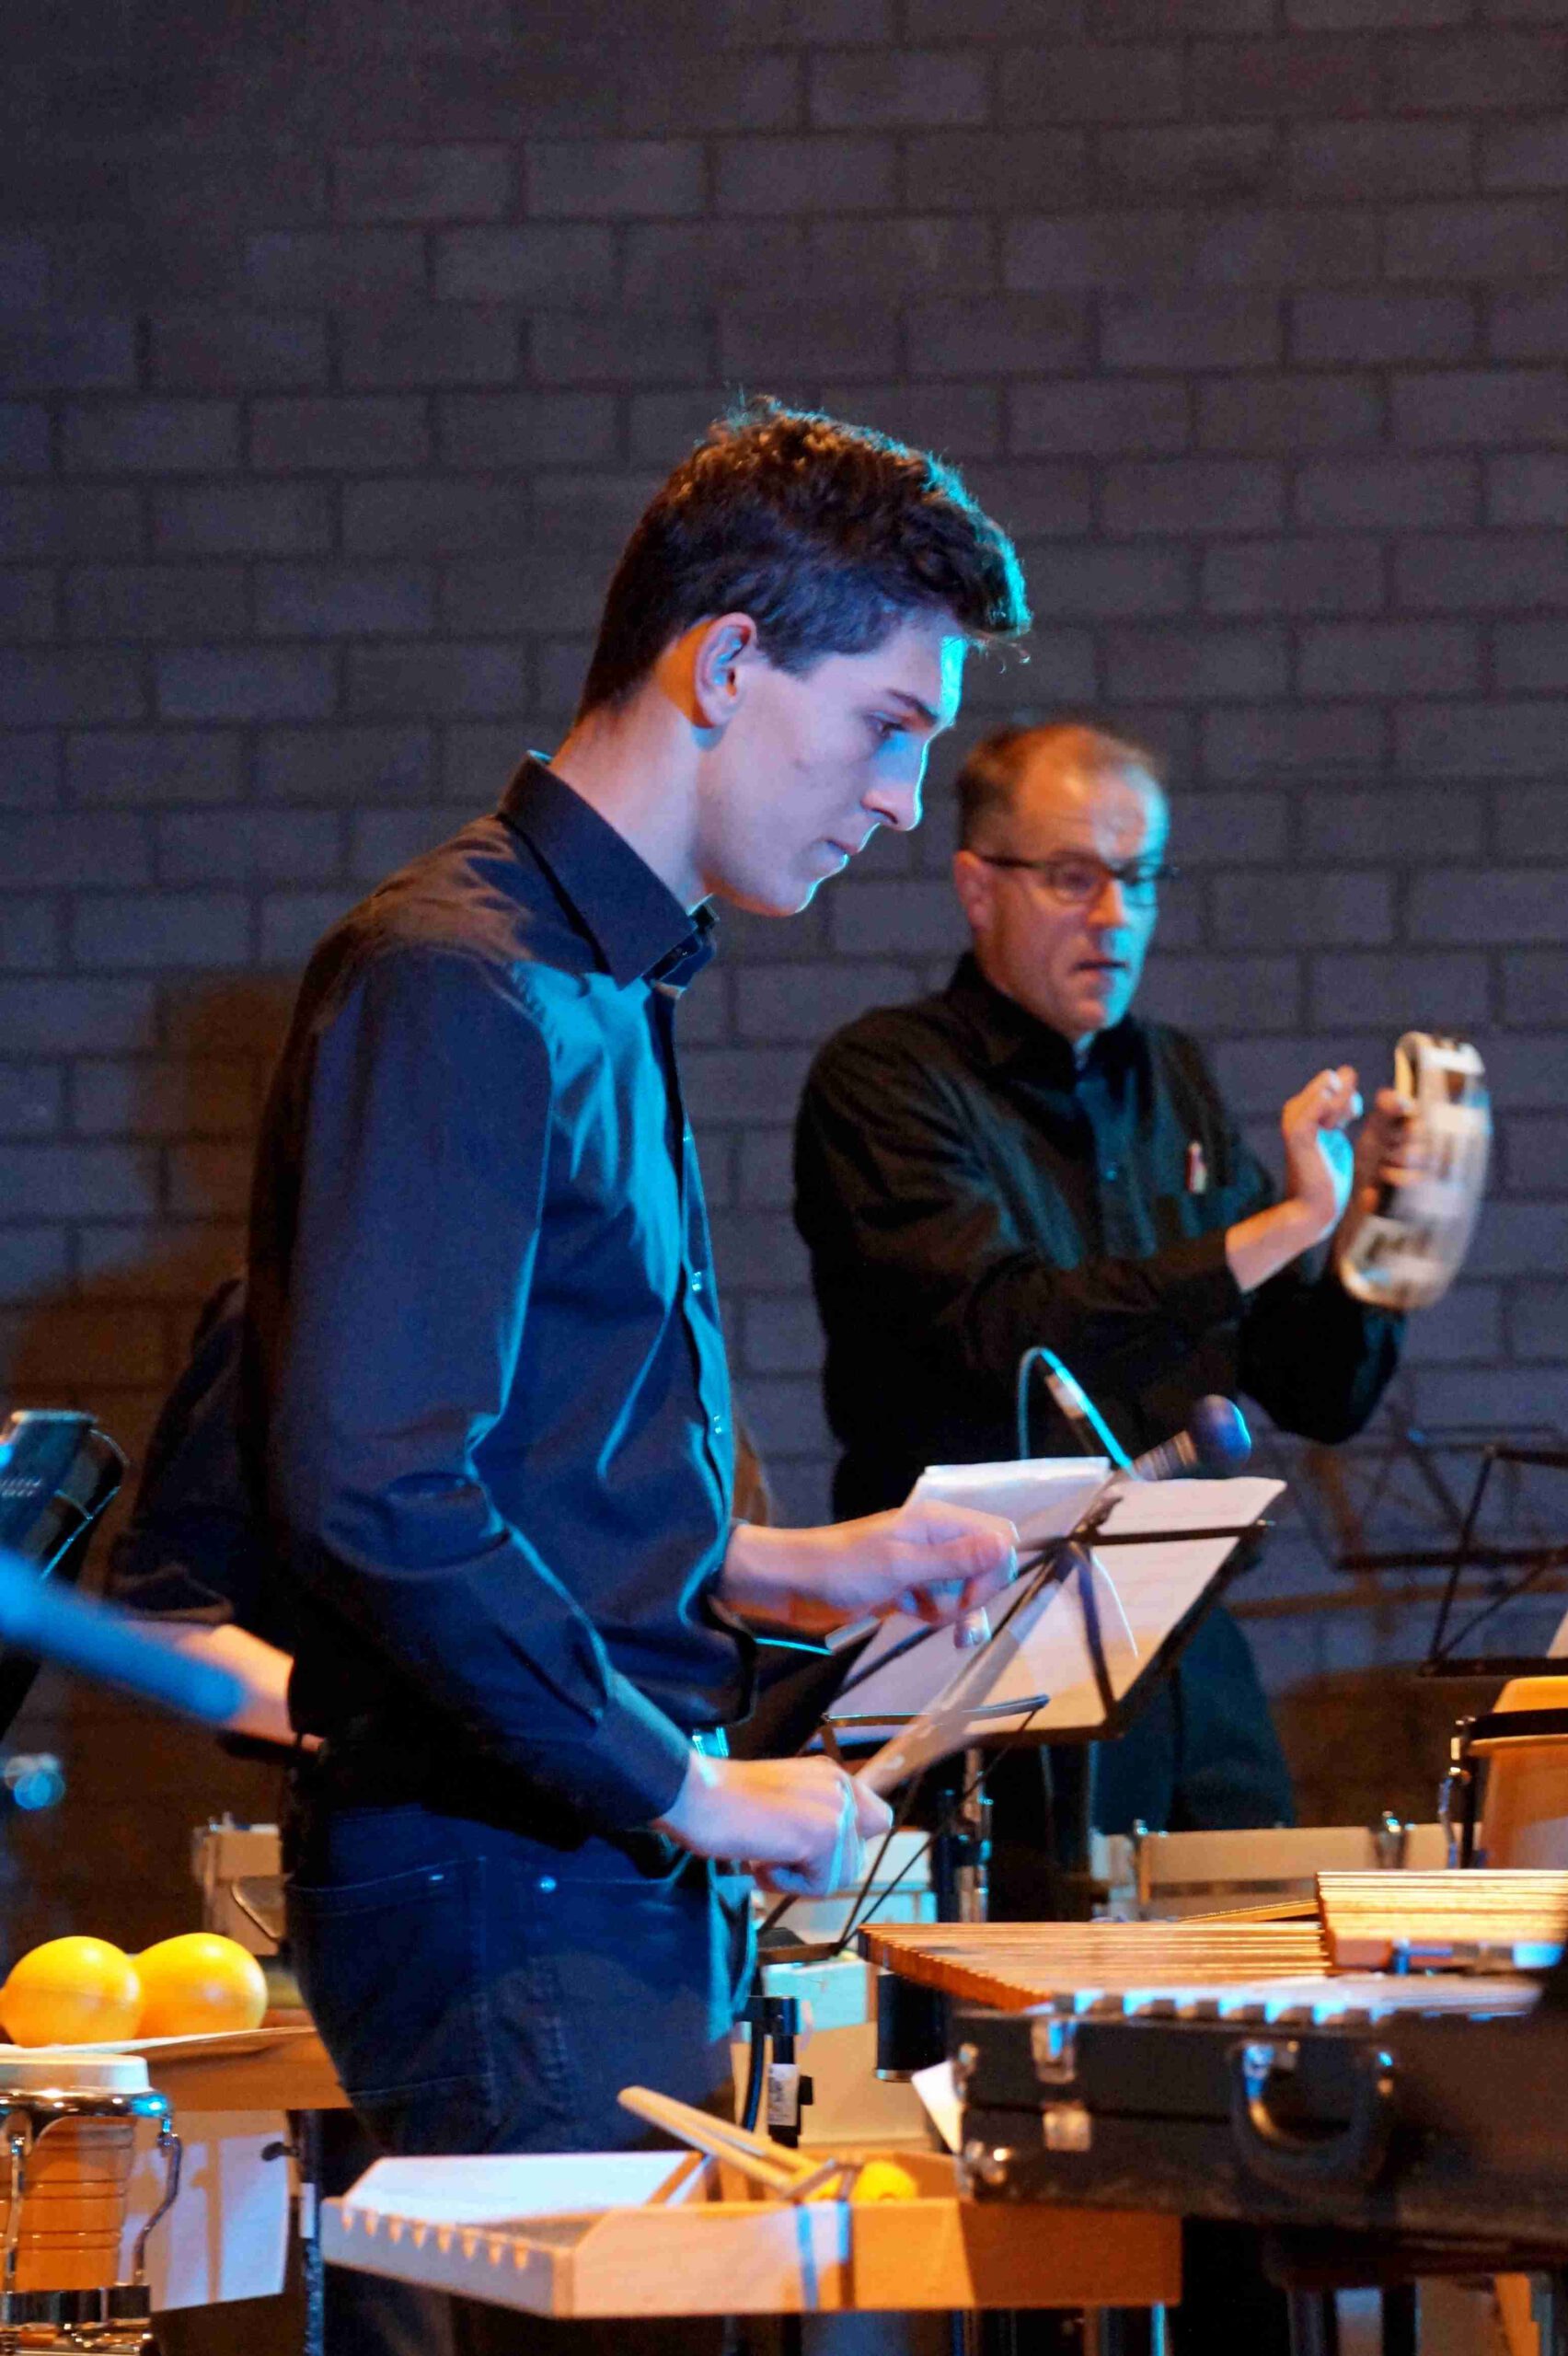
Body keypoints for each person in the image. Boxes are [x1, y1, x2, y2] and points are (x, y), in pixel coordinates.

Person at [238, 400, 1029, 2345]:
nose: (899, 802)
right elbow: (378, 1491)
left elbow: (531, 1458)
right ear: (727, 662)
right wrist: (692, 1790)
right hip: (508, 1869)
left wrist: (777, 1563)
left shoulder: (598, 976)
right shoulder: (462, 976)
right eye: (887, 727)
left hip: (566, 1865)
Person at [794, 721, 1411, 1861]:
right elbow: (1007, 1333)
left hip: (1185, 1637)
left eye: (1140, 877)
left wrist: (1383, 1227)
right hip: (985, 1643)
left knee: (1260, 1928)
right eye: (1074, 877)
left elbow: (1316, 1389)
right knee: (1029, 1961)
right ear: (979, 887)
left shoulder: (1171, 1077)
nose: (1116, 916)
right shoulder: (888, 1078)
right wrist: (1282, 1225)